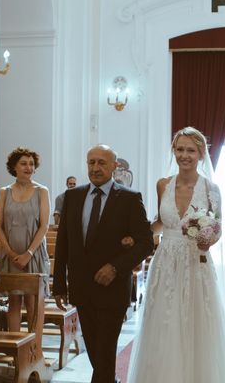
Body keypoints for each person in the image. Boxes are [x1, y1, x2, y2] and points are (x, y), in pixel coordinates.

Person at [127, 127, 225, 383]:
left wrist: (207, 239)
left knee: (195, 321)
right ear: (173, 152)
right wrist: (136, 234)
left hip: (195, 262)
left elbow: (217, 227)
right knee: (164, 321)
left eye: (190, 150)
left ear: (201, 154)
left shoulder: (211, 188)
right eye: (180, 149)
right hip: (166, 260)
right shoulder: (163, 185)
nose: (184, 155)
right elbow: (161, 223)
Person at [54, 144, 153, 383]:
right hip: (81, 287)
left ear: (114, 166)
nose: (96, 168)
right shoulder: (73, 196)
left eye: (101, 163)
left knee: (106, 348)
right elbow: (63, 243)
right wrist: (59, 285)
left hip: (113, 287)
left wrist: (116, 267)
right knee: (96, 351)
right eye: (91, 162)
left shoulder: (129, 198)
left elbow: (145, 243)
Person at [0, 147, 50, 332]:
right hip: (11, 252)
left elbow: (44, 226)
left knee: (32, 300)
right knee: (14, 301)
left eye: (32, 164)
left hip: (32, 252)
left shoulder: (41, 191)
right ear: (14, 167)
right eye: (23, 163)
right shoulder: (4, 192)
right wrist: (10, 253)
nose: (28, 167)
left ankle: (34, 349)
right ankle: (15, 349)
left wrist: (28, 253)